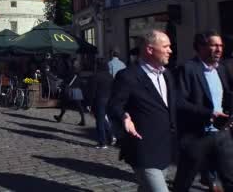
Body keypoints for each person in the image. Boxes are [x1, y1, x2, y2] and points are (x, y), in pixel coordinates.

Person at [108, 29, 177, 192]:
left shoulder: (167, 75)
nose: (170, 50)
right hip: (142, 149)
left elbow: (172, 105)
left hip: (165, 147)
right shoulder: (128, 76)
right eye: (166, 46)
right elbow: (113, 106)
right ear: (150, 49)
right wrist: (124, 117)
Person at [173, 31, 233, 192]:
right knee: (183, 183)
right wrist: (209, 114)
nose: (219, 49)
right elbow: (179, 102)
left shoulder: (221, 69)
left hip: (221, 134)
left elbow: (228, 94)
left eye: (221, 45)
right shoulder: (188, 69)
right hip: (196, 136)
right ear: (200, 47)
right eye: (214, 45)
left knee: (230, 178)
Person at [89, 58, 114, 148]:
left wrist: (89, 103)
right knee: (103, 119)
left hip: (99, 100)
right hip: (109, 99)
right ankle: (111, 135)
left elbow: (92, 91)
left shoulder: (95, 76)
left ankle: (102, 142)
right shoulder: (110, 76)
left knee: (99, 121)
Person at [54, 60, 86, 126]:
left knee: (64, 103)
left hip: (70, 90)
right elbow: (80, 81)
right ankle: (83, 120)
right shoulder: (79, 71)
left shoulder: (71, 71)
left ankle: (60, 117)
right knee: (79, 106)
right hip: (77, 90)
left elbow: (67, 80)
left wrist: (62, 84)